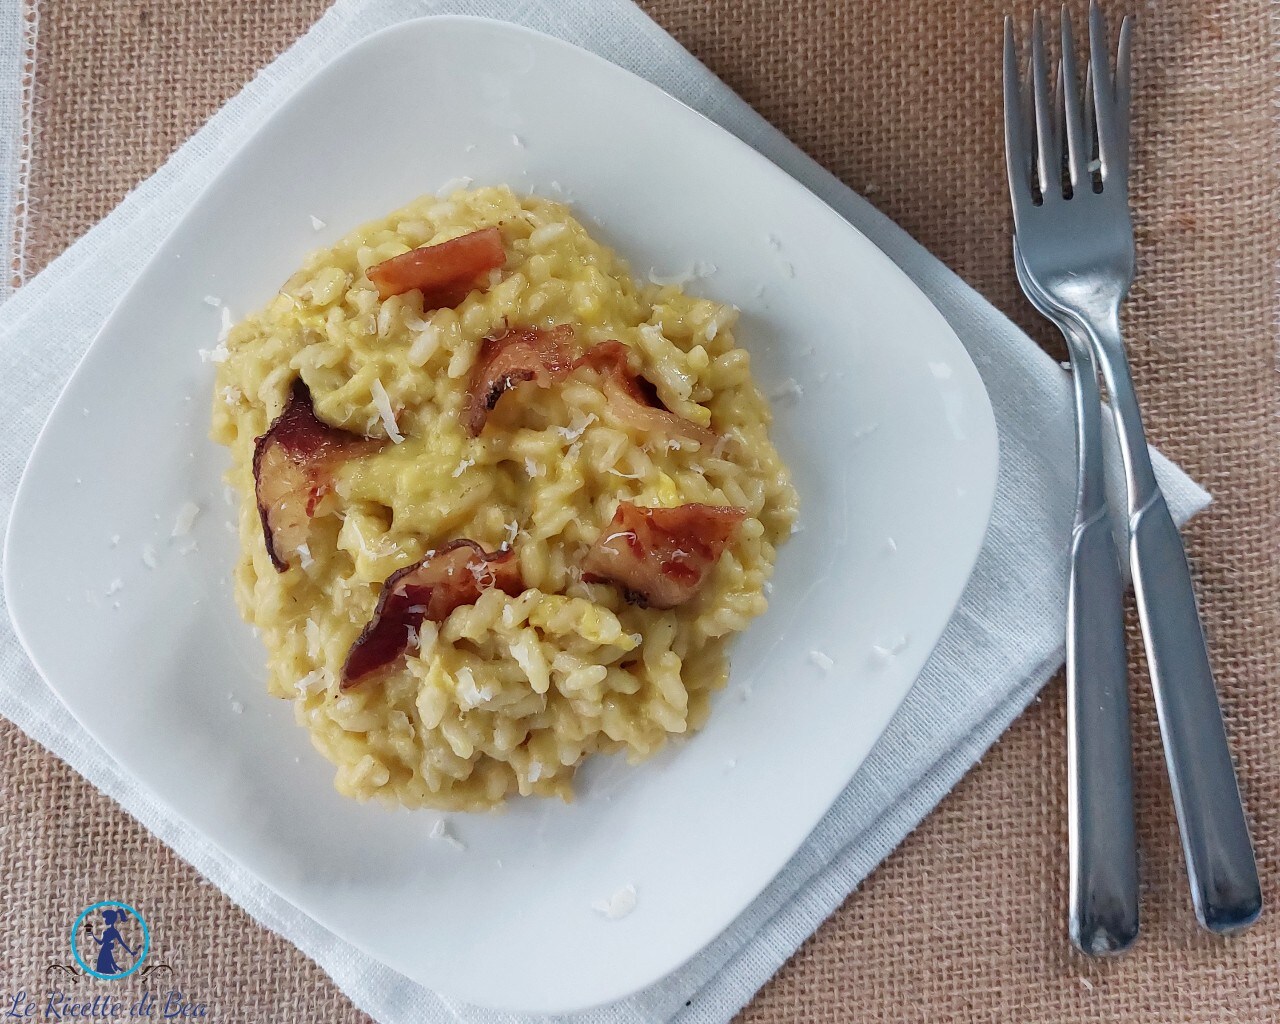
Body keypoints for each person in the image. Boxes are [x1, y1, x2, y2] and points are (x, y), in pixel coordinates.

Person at [85, 908, 135, 975]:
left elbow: (122, 943)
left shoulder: (114, 932)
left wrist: (130, 952)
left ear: (111, 920)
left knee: (106, 969)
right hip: (104, 950)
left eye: (106, 918)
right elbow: (100, 942)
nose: (105, 920)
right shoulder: (106, 931)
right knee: (104, 969)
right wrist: (93, 936)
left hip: (106, 950)